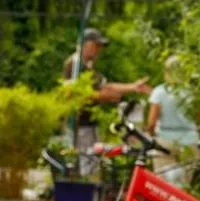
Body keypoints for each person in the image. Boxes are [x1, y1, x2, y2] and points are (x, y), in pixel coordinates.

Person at [63, 28, 150, 176]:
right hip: (79, 124)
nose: (99, 51)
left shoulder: (88, 67)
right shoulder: (74, 65)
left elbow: (106, 86)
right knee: (85, 163)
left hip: (90, 123)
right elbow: (73, 94)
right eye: (97, 46)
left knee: (94, 161)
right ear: (87, 45)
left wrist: (133, 87)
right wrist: (102, 96)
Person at [147, 55, 200, 187]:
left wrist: (151, 134)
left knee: (163, 186)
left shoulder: (159, 91)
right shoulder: (192, 92)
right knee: (183, 187)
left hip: (165, 141)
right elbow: (198, 116)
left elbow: (151, 123)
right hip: (190, 140)